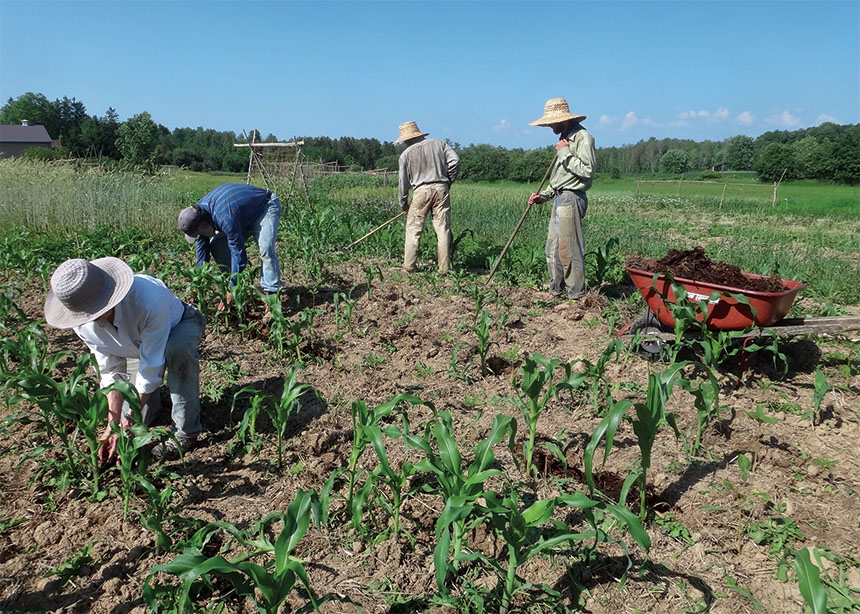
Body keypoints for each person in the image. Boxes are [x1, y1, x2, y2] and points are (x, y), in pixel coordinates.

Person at [44, 257, 205, 460]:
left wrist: (127, 421)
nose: (91, 318)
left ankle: (185, 432)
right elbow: (110, 369)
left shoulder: (148, 299)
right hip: (134, 347)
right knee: (141, 418)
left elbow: (151, 369)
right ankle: (158, 401)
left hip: (178, 325)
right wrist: (114, 425)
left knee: (177, 350)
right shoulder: (81, 320)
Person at [527, 98, 596, 301]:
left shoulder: (582, 137)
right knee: (554, 248)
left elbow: (587, 171)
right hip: (559, 198)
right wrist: (544, 196)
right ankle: (555, 291)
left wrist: (564, 152)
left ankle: (576, 296)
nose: (549, 126)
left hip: (571, 198)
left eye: (551, 122)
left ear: (563, 120)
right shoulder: (565, 138)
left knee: (569, 249)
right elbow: (560, 178)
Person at [178, 183, 282, 294]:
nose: (199, 235)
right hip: (241, 216)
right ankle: (235, 286)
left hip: (264, 208)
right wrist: (198, 282)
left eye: (198, 232)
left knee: (266, 250)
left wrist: (233, 287)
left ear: (203, 225)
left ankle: (272, 295)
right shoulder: (198, 213)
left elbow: (238, 252)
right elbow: (202, 248)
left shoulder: (224, 217)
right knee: (217, 245)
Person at [396, 121, 460, 274]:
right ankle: (444, 269)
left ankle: (409, 266)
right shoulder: (440, 144)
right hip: (441, 189)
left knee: (413, 228)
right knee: (442, 228)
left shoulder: (405, 155)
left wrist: (403, 204)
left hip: (421, 192)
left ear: (406, 139)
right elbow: (455, 161)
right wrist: (448, 180)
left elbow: (402, 183)